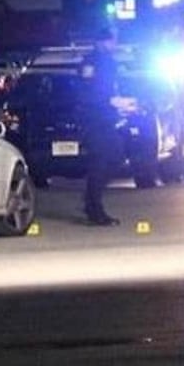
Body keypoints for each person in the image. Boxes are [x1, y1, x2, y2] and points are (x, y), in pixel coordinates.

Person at [79, 29, 124, 227]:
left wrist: (118, 102)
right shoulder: (90, 62)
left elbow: (111, 87)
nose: (114, 45)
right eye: (111, 41)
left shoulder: (110, 62)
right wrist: (108, 101)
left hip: (107, 118)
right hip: (94, 119)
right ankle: (94, 207)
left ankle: (92, 200)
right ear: (101, 42)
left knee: (116, 156)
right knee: (100, 162)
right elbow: (87, 91)